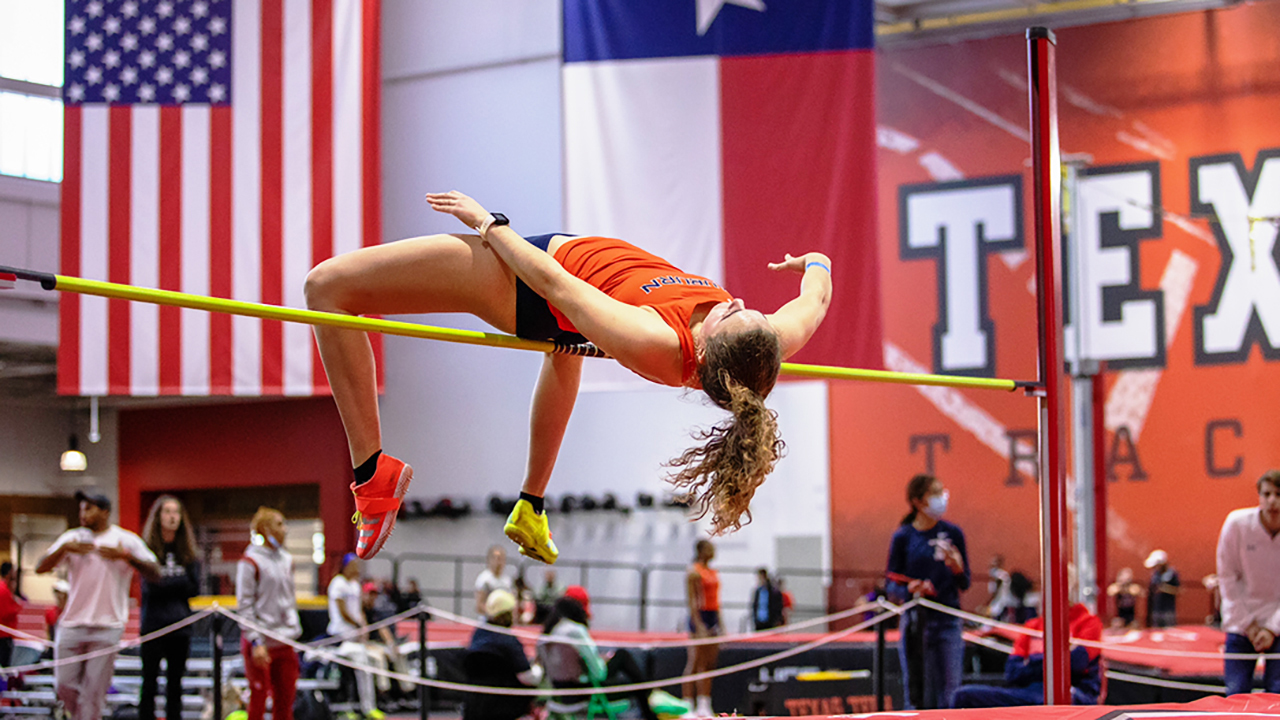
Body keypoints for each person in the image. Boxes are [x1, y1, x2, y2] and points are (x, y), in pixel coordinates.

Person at [303, 190, 833, 561]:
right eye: (744, 307)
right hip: (568, 272)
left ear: (708, 347)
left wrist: (488, 223)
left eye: (730, 312)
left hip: (526, 283)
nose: (736, 300)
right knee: (567, 353)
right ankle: (530, 504)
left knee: (327, 288)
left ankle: (372, 475)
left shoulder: (656, 342)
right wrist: (814, 261)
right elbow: (816, 298)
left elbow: (557, 287)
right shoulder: (764, 343)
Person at [35, 490, 160, 720]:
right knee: (63, 685)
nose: (83, 514)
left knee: (93, 694)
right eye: (82, 508)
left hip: (107, 626)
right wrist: (64, 549)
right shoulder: (71, 538)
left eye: (89, 508)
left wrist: (126, 556)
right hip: (72, 623)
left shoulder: (125, 539)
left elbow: (155, 572)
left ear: (105, 512)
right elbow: (40, 567)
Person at [885, 474, 971, 709]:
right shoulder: (903, 536)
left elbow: (965, 582)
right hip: (915, 624)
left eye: (941, 492)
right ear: (918, 501)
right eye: (934, 493)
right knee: (916, 690)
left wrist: (957, 567)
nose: (941, 498)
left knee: (950, 692)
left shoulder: (953, 534)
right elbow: (891, 583)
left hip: (948, 622)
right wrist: (910, 590)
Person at [540, 590, 662, 720]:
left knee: (630, 672)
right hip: (583, 692)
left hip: (558, 696)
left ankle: (647, 693)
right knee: (623, 656)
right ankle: (648, 694)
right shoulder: (576, 631)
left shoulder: (547, 635)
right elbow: (599, 673)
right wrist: (602, 661)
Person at [953, 602, 1103, 707]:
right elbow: (1012, 673)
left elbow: (1077, 662)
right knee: (963, 696)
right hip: (1029, 691)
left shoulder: (1089, 623)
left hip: (1073, 693)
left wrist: (1032, 661)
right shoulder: (1033, 626)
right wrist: (1057, 660)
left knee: (1050, 706)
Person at [1216, 469, 1280, 695]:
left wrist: (1272, 629)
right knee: (1236, 693)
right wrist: (1250, 627)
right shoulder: (1236, 524)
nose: (1273, 501)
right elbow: (1227, 578)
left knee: (1277, 694)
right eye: (1267, 494)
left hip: (1278, 623)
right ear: (1260, 496)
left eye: (1279, 494)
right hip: (1242, 624)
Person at [138, 495, 202, 720]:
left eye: (176, 512)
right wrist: (177, 583)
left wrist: (163, 581)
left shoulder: (188, 552)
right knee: (149, 684)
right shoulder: (146, 550)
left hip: (180, 626)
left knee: (175, 686)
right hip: (153, 625)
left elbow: (194, 589)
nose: (172, 516)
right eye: (167, 511)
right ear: (158, 517)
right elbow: (149, 588)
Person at [237, 507, 302, 720]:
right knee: (258, 698)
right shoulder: (250, 561)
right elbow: (245, 605)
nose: (285, 529)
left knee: (286, 700)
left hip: (285, 640)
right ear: (265, 529)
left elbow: (290, 599)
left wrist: (293, 629)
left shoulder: (287, 559)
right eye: (280, 524)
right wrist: (256, 641)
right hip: (260, 643)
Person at [463, 589, 540, 720]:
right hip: (507, 708)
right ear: (508, 614)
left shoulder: (477, 635)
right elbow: (527, 678)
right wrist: (539, 668)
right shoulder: (508, 641)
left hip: (474, 707)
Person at [327, 554, 380, 718]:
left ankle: (369, 706)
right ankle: (361, 707)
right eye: (353, 565)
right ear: (345, 566)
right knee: (362, 664)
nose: (356, 568)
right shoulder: (338, 584)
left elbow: (359, 611)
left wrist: (363, 628)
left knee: (374, 661)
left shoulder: (355, 585)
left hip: (355, 638)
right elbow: (343, 611)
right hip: (340, 637)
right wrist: (357, 626)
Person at [684, 540, 720, 717]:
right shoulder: (693, 572)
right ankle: (687, 705)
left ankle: (704, 704)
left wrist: (722, 625)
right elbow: (691, 601)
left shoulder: (713, 572)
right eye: (710, 548)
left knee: (709, 664)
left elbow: (717, 601)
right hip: (700, 616)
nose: (713, 551)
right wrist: (698, 625)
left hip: (712, 616)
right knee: (695, 662)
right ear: (701, 551)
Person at [1144, 549, 1180, 628]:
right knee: (1156, 630)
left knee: (1168, 629)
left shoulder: (1172, 574)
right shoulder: (1155, 574)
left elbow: (1178, 590)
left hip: (1168, 610)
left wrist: (1164, 589)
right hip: (1156, 609)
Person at [475, 545, 514, 617]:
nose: (499, 562)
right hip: (487, 622)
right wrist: (494, 614)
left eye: (502, 559)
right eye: (496, 558)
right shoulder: (484, 579)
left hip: (503, 622)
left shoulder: (507, 581)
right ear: (490, 560)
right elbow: (479, 605)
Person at [0, 561, 22, 667]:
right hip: (3, 636)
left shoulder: (6, 589)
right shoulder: (3, 590)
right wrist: (17, 607)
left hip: (6, 634)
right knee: (5, 665)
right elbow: (6, 613)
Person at [985, 555, 1014, 622]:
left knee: (996, 617)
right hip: (1001, 601)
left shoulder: (998, 574)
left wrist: (990, 599)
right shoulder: (995, 573)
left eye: (994, 562)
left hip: (1000, 601)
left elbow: (998, 585)